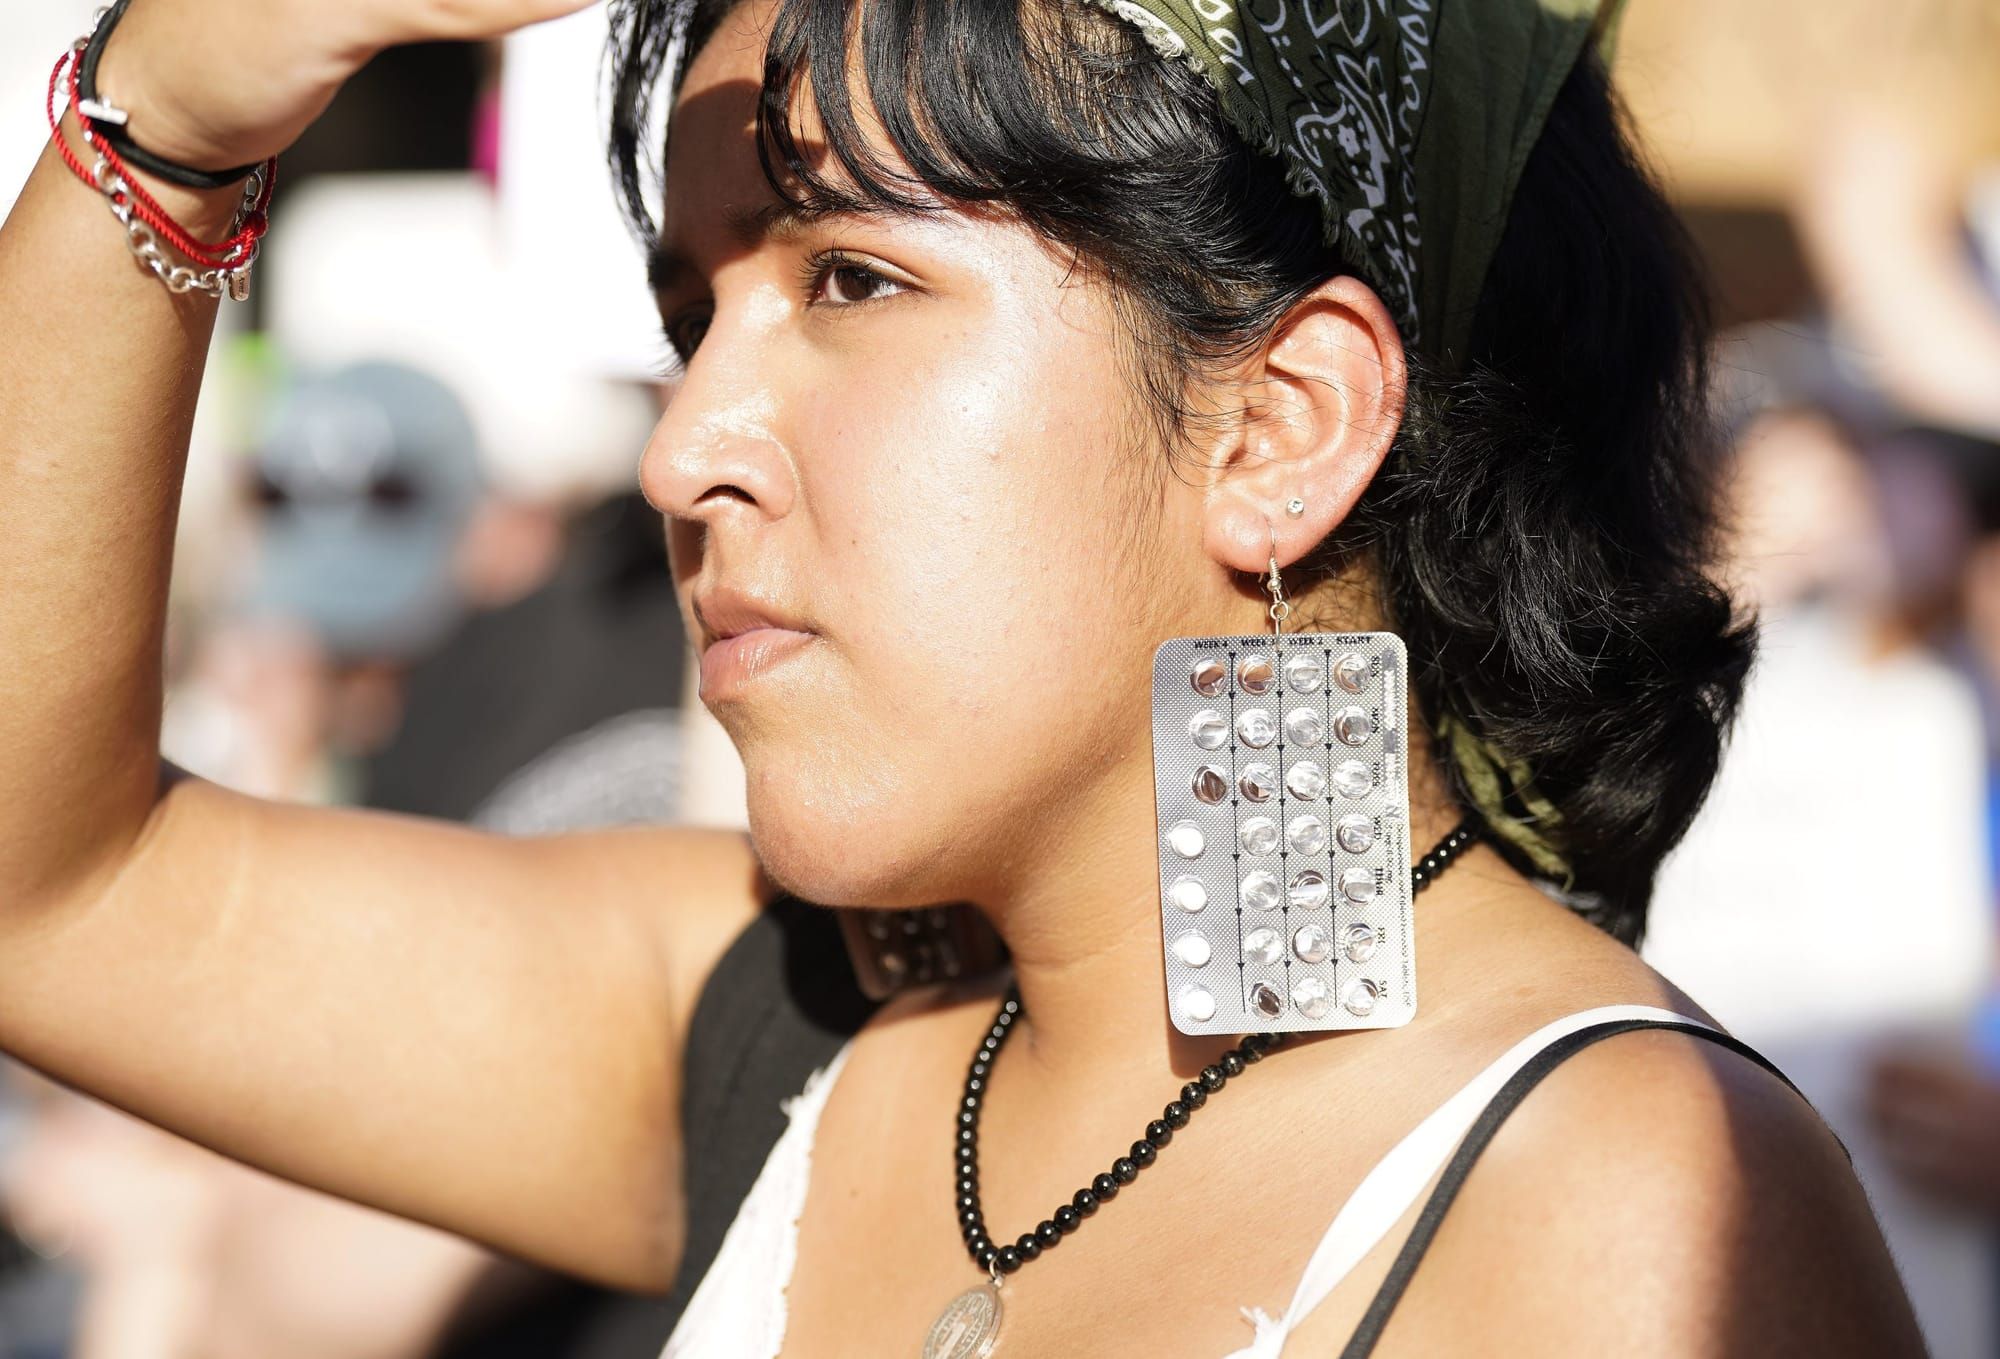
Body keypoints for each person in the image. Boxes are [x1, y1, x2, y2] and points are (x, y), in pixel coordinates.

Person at [0, 1, 1924, 1356]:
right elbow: (48, 895)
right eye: (693, 316)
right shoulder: (781, 1033)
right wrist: (166, 117)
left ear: (1283, 422)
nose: (686, 450)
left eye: (848, 279)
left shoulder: (1629, 1211)